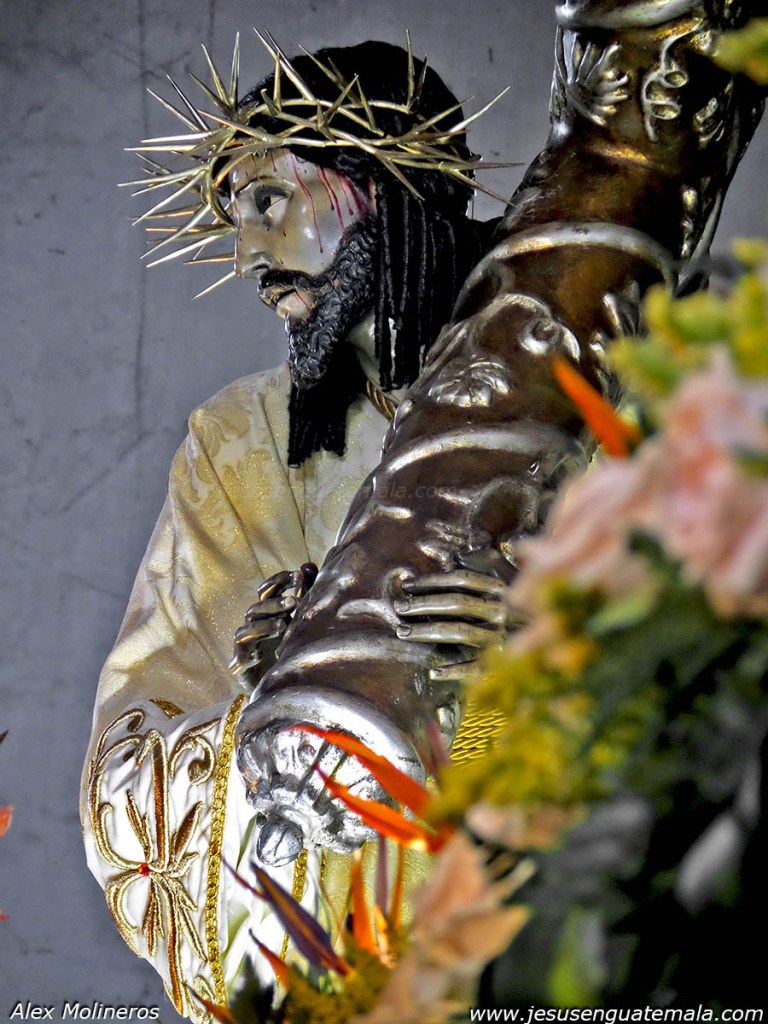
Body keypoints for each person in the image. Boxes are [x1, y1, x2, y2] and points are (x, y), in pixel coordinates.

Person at [82, 8, 765, 1020]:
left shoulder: (624, 383)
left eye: (270, 198)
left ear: (383, 183)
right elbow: (138, 748)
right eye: (233, 214)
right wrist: (273, 691)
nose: (249, 252)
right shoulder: (238, 443)